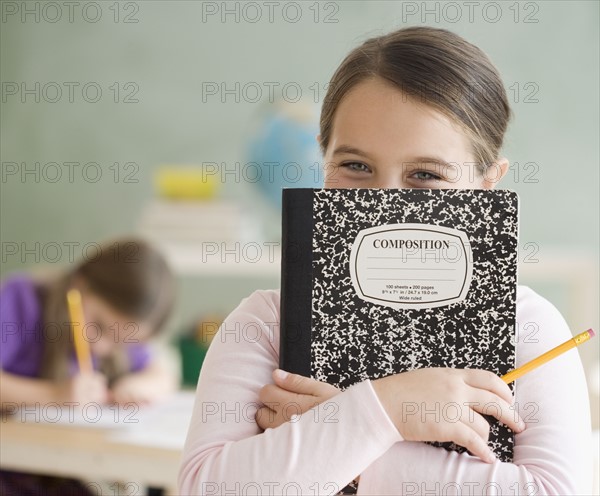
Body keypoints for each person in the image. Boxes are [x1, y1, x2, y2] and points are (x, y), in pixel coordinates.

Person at [178, 27, 592, 495]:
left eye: (426, 175)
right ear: (323, 158)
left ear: (486, 186)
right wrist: (389, 408)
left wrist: (352, 437)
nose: (384, 201)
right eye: (355, 166)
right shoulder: (266, 322)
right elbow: (205, 488)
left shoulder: (528, 325)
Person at [0, 237, 178, 496]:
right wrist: (53, 396)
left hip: (60, 471)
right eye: (98, 326)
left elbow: (162, 375)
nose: (102, 347)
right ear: (79, 285)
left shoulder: (118, 333)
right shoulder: (21, 301)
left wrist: (138, 386)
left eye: (120, 343)